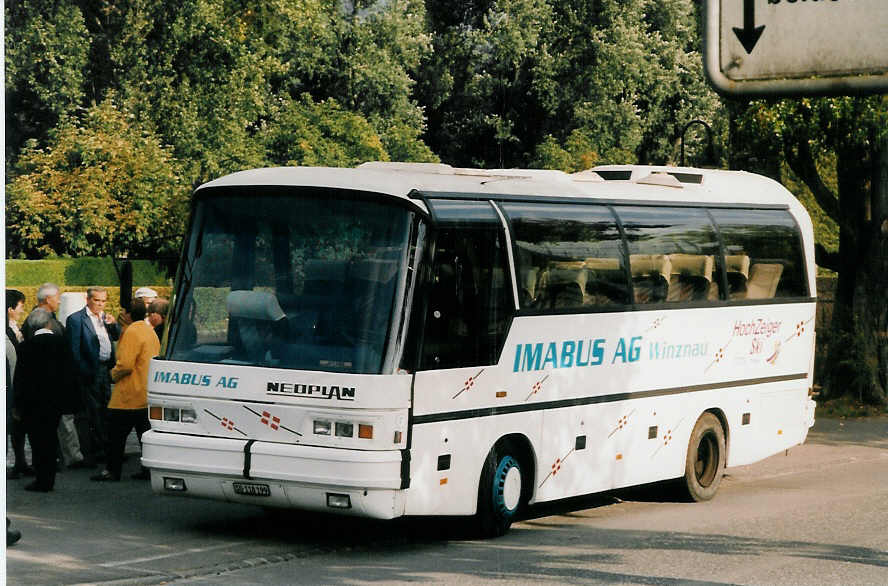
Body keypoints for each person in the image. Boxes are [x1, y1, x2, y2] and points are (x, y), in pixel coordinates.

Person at [92, 299, 159, 482]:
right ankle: (147, 470)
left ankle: (112, 471)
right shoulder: (148, 331)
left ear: (128, 314)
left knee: (115, 436)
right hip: (146, 391)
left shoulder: (131, 332)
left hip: (129, 394)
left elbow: (126, 365)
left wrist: (112, 374)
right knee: (144, 436)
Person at [13, 309, 77, 492]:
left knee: (38, 441)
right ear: (49, 324)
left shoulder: (26, 347)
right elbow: (70, 374)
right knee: (51, 437)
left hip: (33, 403)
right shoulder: (62, 343)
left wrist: (17, 405)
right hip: (56, 401)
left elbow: (20, 379)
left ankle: (42, 479)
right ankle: (50, 476)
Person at [65, 286, 120, 465]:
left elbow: (116, 336)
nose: (100, 304)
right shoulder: (76, 319)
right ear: (88, 299)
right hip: (90, 370)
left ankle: (106, 447)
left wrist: (113, 326)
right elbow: (73, 350)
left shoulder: (105, 317)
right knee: (92, 412)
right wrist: (85, 372)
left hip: (106, 369)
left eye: (103, 301)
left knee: (107, 408)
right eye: (97, 300)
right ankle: (96, 451)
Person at [6, 289, 33, 479]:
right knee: (13, 425)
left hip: (19, 383)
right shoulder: (7, 330)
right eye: (20, 307)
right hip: (12, 384)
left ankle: (20, 461)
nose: (22, 311)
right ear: (9, 309)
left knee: (18, 426)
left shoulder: (15, 327)